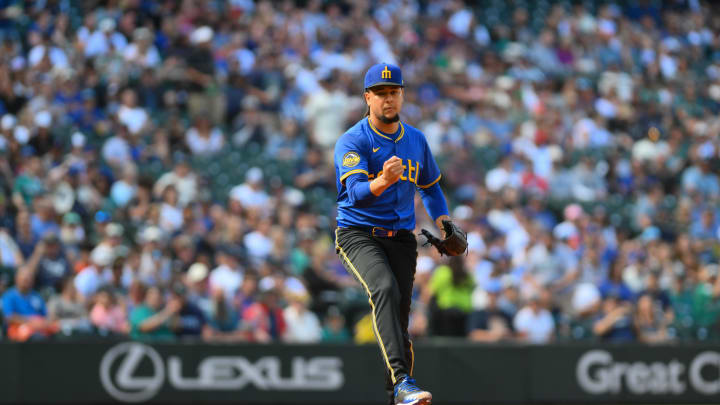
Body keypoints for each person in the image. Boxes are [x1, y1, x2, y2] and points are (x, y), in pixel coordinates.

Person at [333, 63, 465, 405]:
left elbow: (432, 189)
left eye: (393, 92)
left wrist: (445, 224)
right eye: (380, 93)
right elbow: (355, 193)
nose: (388, 99)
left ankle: (399, 395)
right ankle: (404, 381)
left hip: (402, 238)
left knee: (399, 320)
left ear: (402, 94)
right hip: (358, 233)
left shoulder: (416, 140)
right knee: (384, 290)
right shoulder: (354, 139)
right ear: (368, 98)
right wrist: (381, 181)